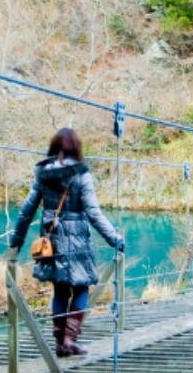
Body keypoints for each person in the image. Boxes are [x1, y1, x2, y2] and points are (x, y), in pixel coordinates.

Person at [9, 128, 124, 357]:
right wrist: (115, 239)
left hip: (53, 240)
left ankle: (60, 342)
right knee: (81, 287)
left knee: (60, 290)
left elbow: (26, 211)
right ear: (76, 147)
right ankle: (70, 339)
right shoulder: (82, 174)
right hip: (78, 239)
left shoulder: (43, 174)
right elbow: (93, 212)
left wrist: (16, 241)